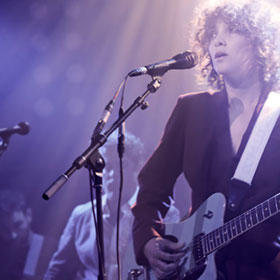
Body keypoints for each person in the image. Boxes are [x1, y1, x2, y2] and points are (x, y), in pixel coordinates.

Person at [132, 0, 280, 279]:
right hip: (189, 266)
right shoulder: (192, 110)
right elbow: (152, 189)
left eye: (233, 30)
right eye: (212, 34)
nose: (218, 41)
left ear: (261, 41)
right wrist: (148, 240)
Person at [44, 131, 178, 280]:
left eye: (122, 165)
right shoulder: (81, 214)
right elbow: (57, 269)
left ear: (138, 168)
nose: (113, 174)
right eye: (107, 166)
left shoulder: (164, 213)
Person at [0, 189, 56, 280]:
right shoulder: (3, 253)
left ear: (28, 215)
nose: (13, 234)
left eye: (17, 225)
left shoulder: (51, 249)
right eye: (5, 229)